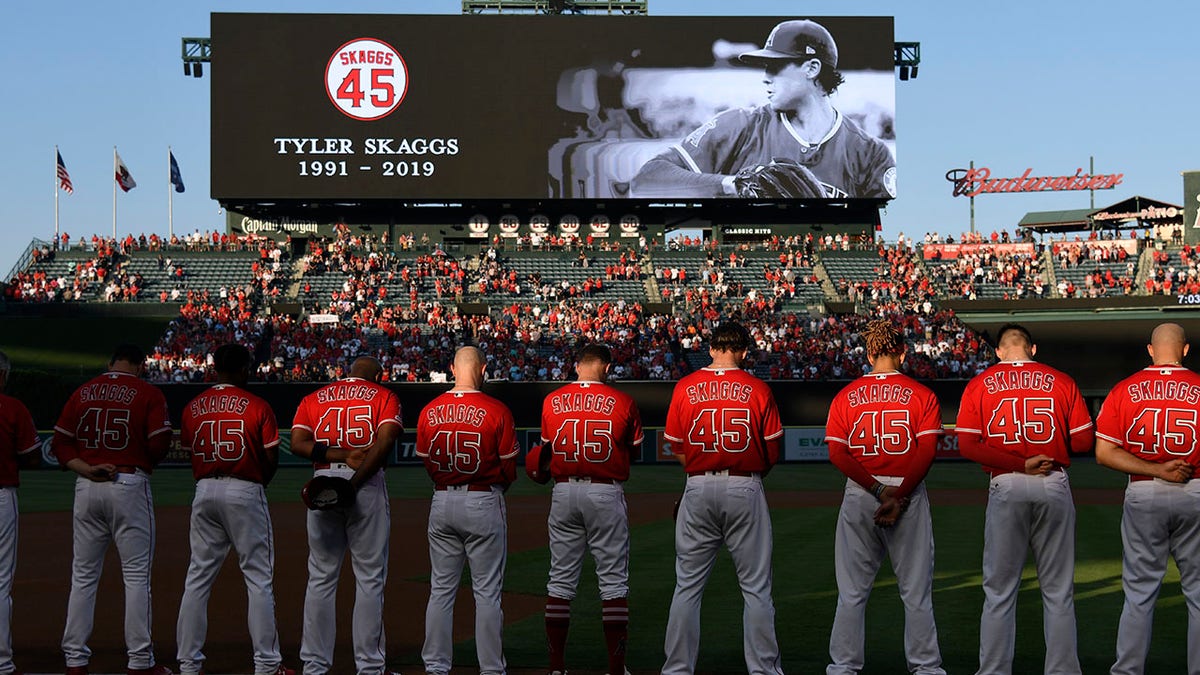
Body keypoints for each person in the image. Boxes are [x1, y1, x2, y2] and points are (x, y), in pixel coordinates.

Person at [955, 323, 1094, 675]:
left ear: (999, 351)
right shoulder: (1061, 380)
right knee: (1058, 591)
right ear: (1033, 349)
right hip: (1052, 482)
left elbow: (968, 444)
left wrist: (1018, 461)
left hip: (1007, 484)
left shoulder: (979, 383)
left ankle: (994, 671)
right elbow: (1081, 442)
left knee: (1000, 591)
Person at [630, 19, 895, 200]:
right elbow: (645, 181)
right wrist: (731, 185)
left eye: (776, 67)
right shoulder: (740, 126)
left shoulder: (870, 154)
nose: (766, 78)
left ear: (812, 69)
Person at [661, 321, 784, 675]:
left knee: (687, 586)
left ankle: (676, 670)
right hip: (745, 483)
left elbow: (677, 446)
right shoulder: (757, 388)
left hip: (697, 485)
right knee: (757, 589)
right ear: (744, 351)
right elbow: (772, 451)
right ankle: (763, 670)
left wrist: (698, 473)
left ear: (711, 348)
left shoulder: (686, 387)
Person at [823, 320, 945, 675]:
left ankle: (843, 667)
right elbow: (926, 452)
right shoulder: (922, 394)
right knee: (916, 591)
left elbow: (838, 455)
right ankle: (925, 667)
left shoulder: (845, 395)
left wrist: (878, 491)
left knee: (852, 591)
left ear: (869, 353)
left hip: (861, 494)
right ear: (903, 352)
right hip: (907, 493)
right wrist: (899, 495)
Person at [53, 344, 173, 675]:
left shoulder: (83, 390)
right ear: (140, 365)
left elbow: (60, 443)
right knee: (135, 576)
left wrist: (86, 468)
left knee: (83, 575)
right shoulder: (147, 392)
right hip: (128, 482)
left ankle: (75, 660)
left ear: (110, 363)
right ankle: (139, 661)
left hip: (87, 483)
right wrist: (143, 462)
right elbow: (160, 443)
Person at [175, 344, 293, 675]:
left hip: (204, 489)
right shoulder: (257, 405)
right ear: (244, 369)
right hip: (245, 488)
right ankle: (267, 664)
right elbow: (272, 457)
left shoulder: (194, 406)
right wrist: (256, 484)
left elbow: (189, 451)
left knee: (197, 578)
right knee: (258, 578)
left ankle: (188, 663)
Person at [1094, 322, 1199, 675]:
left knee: (1139, 592)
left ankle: (1127, 671)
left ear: (1150, 350)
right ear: (1185, 350)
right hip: (1196, 489)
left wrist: (1156, 470)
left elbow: (1104, 453)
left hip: (1143, 489)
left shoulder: (1124, 390)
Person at [291, 356, 403, 675]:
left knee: (321, 577)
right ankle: (369, 667)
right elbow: (384, 442)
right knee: (369, 578)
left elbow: (298, 443)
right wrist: (352, 485)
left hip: (323, 481)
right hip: (363, 485)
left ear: (346, 373)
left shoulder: (314, 398)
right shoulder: (384, 396)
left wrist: (335, 456)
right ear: (378, 376)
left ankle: (314, 666)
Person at [537, 344, 644, 675]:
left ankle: (557, 667)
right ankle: (616, 668)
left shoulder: (552, 401)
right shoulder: (623, 402)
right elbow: (634, 453)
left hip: (564, 491)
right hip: (604, 492)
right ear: (608, 368)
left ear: (576, 365)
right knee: (612, 582)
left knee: (560, 581)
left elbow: (544, 453)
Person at [416, 346, 520, 675]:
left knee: (441, 590)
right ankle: (490, 668)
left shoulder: (430, 409)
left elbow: (426, 462)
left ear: (451, 368)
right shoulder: (496, 409)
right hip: (482, 499)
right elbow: (508, 469)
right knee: (487, 592)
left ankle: (435, 666)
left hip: (442, 499)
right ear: (484, 369)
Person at [0, 350, 40, 675]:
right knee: (0, 583)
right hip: (1, 495)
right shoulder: (12, 407)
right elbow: (31, 457)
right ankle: (1, 662)